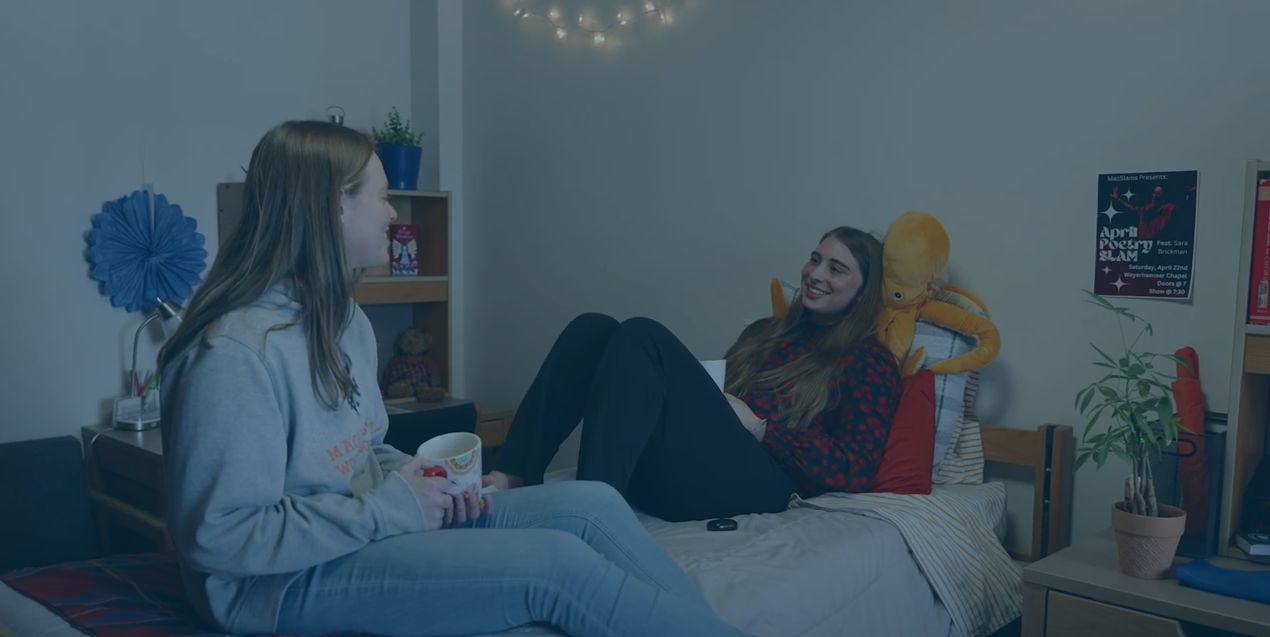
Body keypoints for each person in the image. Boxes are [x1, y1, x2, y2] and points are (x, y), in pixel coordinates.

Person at [158, 121, 744, 637]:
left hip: (360, 526)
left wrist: (430, 485)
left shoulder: (345, 322)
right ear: (334, 205)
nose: (393, 214)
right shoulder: (233, 354)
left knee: (591, 504)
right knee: (556, 566)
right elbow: (221, 537)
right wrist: (395, 509)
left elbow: (362, 453)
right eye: (384, 198)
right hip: (274, 585)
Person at [488, 226, 901, 522]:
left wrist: (761, 428)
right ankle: (516, 474)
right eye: (815, 259)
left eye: (836, 268)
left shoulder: (870, 362)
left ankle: (595, 515)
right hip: (690, 470)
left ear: (863, 291)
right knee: (592, 328)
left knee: (642, 334)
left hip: (764, 480)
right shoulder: (762, 332)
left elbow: (854, 469)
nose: (816, 274)